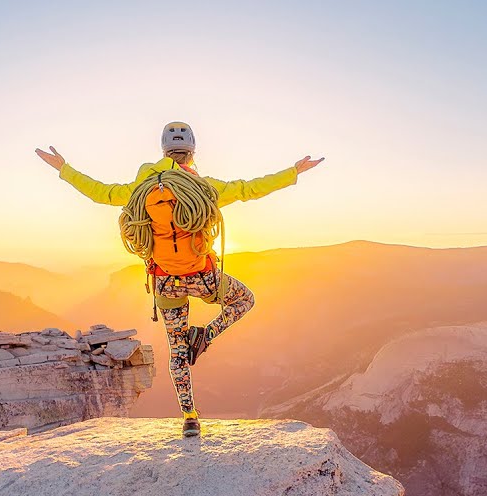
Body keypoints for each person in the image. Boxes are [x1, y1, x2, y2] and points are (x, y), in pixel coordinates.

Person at [35, 121, 324, 437]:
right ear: (192, 151)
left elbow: (101, 193)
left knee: (177, 352)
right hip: (203, 276)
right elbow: (248, 188)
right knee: (245, 300)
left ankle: (189, 417)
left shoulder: (142, 187)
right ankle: (207, 335)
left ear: (163, 150)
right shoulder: (202, 186)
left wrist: (64, 169)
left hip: (166, 282)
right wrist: (293, 172)